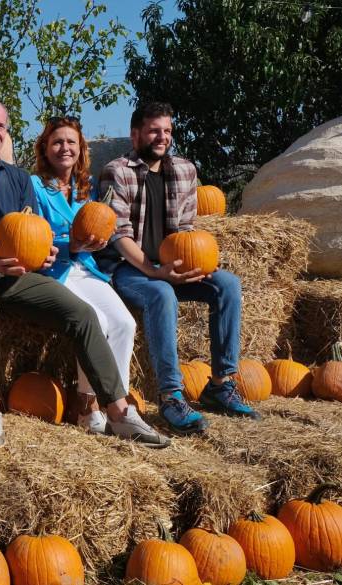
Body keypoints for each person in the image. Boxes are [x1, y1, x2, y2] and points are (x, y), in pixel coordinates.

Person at [0, 98, 170, 448]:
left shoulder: (16, 180)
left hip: (15, 274)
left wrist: (43, 255)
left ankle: (117, 411)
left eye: (0, 126)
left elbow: (32, 231)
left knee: (83, 314)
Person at [98, 101, 258, 435]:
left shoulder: (186, 171)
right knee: (160, 293)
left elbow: (186, 229)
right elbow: (117, 234)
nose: (162, 137)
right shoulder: (117, 171)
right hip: (131, 268)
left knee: (226, 284)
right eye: (155, 130)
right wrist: (155, 271)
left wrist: (197, 264)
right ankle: (171, 395)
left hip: (172, 265)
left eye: (168, 131)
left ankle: (220, 383)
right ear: (136, 133)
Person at [31, 115, 151, 436]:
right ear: (45, 148)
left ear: (81, 149)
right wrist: (70, 242)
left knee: (125, 323)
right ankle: (86, 406)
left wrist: (97, 241)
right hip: (57, 270)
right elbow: (29, 234)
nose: (64, 148)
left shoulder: (87, 189)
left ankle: (119, 406)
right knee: (96, 321)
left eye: (71, 142)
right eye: (57, 142)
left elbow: (97, 227)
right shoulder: (35, 186)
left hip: (87, 269)